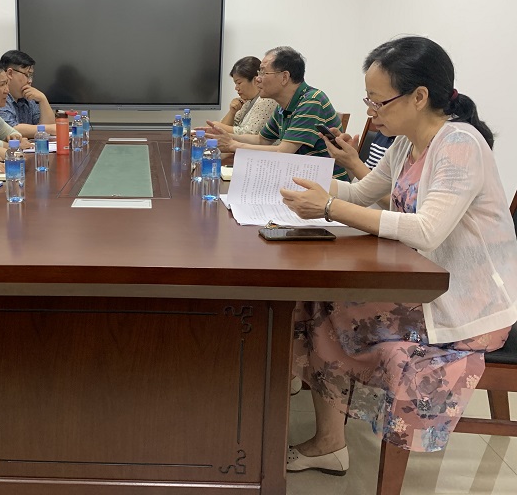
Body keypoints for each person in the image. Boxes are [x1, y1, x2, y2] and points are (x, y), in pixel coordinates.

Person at [280, 36, 517, 474]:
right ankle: (330, 441)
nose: (371, 111)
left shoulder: (459, 145)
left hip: (461, 300)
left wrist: (328, 207)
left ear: (419, 96)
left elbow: (427, 230)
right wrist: (289, 181)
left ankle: (330, 440)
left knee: (328, 305)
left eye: (379, 100)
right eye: (367, 99)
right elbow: (361, 193)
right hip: (421, 281)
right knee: (314, 298)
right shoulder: (407, 143)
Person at [206, 46, 349, 180]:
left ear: (284, 77)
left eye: (263, 72)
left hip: (326, 185)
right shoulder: (283, 106)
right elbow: (261, 139)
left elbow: (282, 153)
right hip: (298, 178)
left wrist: (232, 145)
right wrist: (223, 136)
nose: (257, 79)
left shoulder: (312, 101)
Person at [204, 56, 278, 135]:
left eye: (239, 83)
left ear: (255, 80)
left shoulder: (267, 99)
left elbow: (250, 133)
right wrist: (232, 112)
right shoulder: (247, 101)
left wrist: (217, 126)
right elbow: (224, 128)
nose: (236, 88)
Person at [0, 50, 57, 138]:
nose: (30, 81)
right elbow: (9, 128)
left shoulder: (27, 96)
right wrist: (49, 129)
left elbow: (49, 128)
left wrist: (43, 99)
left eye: (31, 76)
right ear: (10, 73)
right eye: (27, 75)